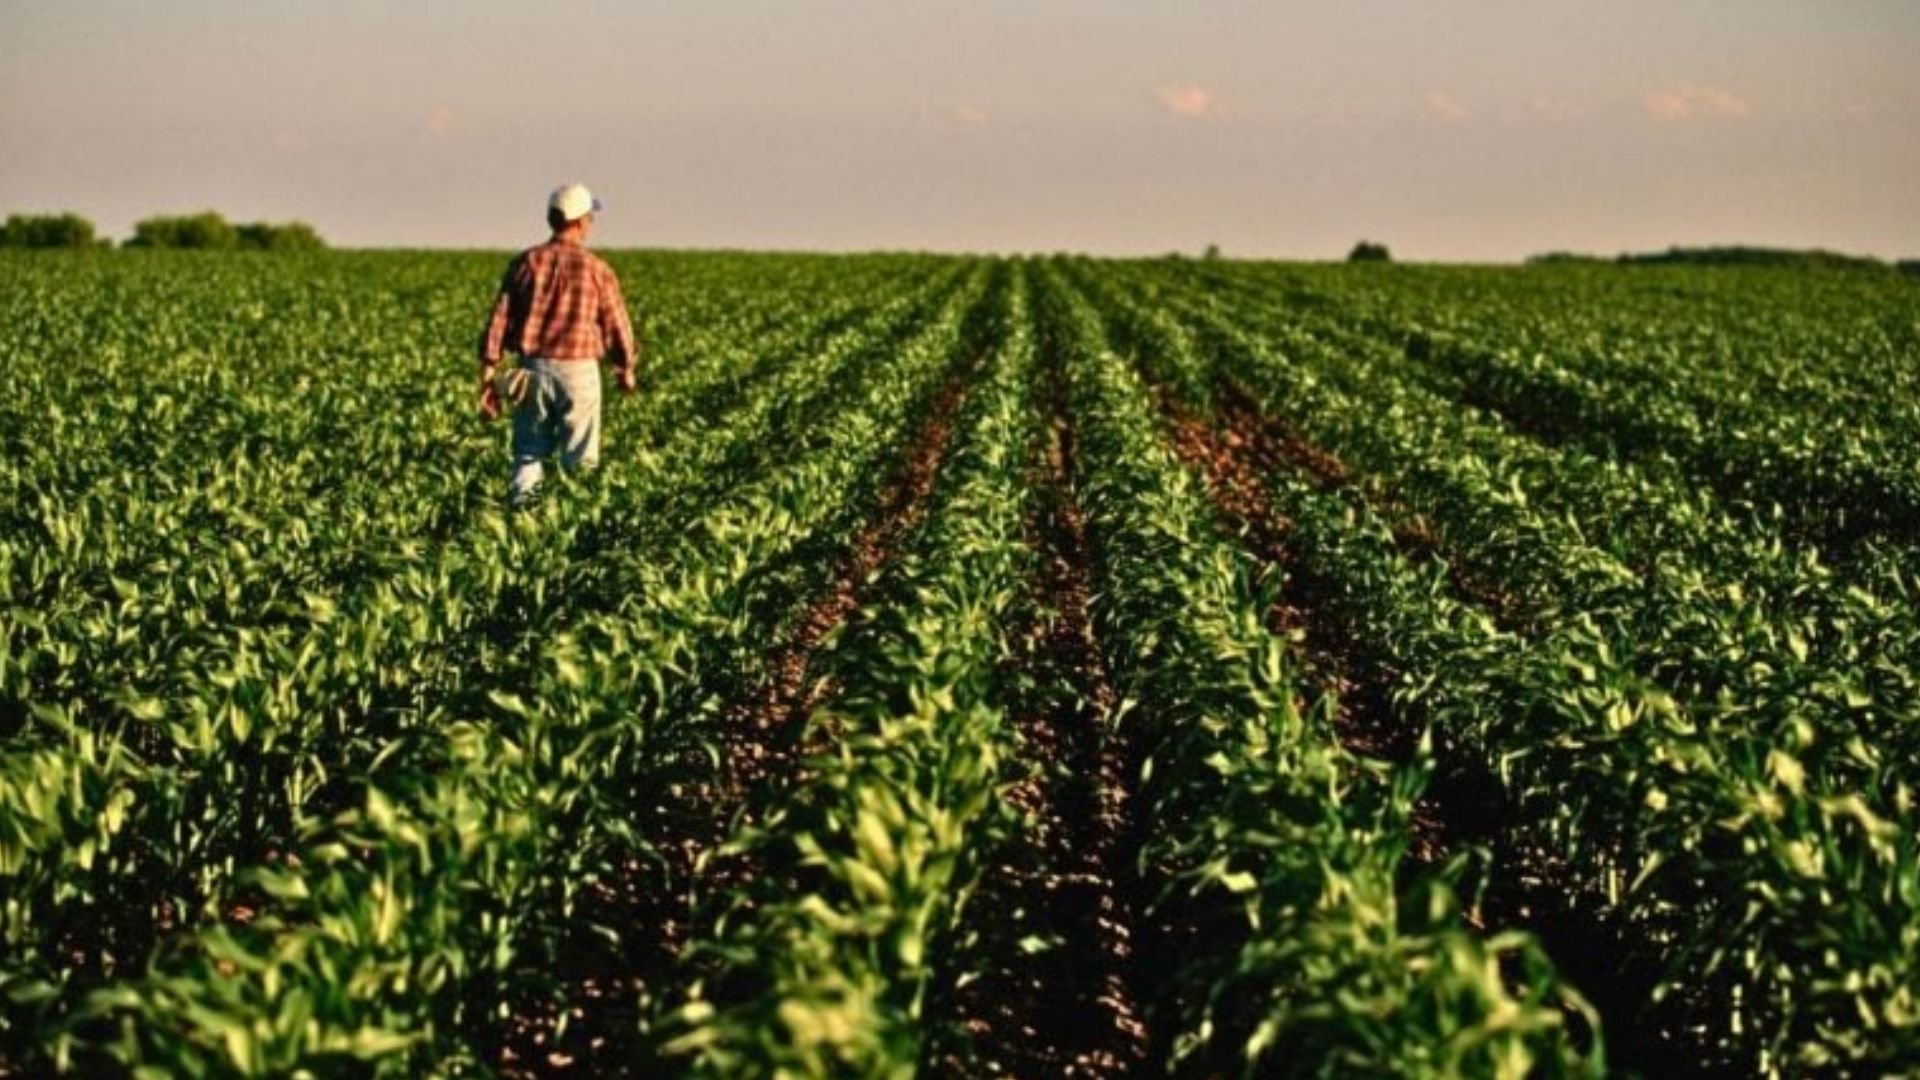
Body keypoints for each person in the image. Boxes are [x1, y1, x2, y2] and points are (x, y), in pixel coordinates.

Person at [477, 183, 639, 503]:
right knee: (581, 460)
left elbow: (499, 321)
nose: (591, 223)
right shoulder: (597, 269)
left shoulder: (526, 263)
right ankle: (576, 519)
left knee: (528, 453)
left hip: (533, 370)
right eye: (589, 217)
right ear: (579, 221)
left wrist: (487, 378)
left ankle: (520, 515)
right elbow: (618, 326)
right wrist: (625, 368)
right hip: (579, 373)